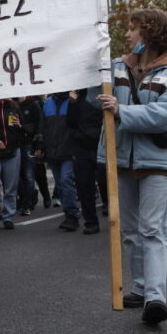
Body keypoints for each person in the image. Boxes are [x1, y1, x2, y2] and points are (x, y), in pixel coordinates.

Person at [95, 8, 167, 325]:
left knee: (152, 229)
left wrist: (122, 111)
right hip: (121, 158)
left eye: (133, 29)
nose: (128, 35)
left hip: (156, 162)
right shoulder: (115, 68)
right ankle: (140, 288)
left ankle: (156, 298)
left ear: (148, 33)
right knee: (130, 231)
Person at [66, 89, 104, 234]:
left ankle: (114, 214)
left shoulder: (102, 92)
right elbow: (70, 122)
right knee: (84, 186)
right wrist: (73, 104)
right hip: (81, 146)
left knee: (106, 182)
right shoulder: (77, 97)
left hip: (101, 144)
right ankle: (91, 222)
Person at [42, 92, 80, 231]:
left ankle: (72, 215)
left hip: (69, 151)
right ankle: (69, 214)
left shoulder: (73, 101)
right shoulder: (48, 103)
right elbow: (44, 126)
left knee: (65, 181)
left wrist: (75, 104)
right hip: (53, 151)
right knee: (61, 184)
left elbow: (77, 123)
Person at [0, 98, 23, 228]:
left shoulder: (14, 108)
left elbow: (25, 129)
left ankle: (8, 216)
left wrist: (20, 125)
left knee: (11, 186)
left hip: (13, 151)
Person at [16, 96, 44, 215]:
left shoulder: (33, 105)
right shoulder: (13, 106)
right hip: (16, 144)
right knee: (17, 176)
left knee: (28, 175)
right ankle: (27, 198)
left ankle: (27, 203)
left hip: (28, 144)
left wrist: (39, 146)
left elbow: (38, 127)